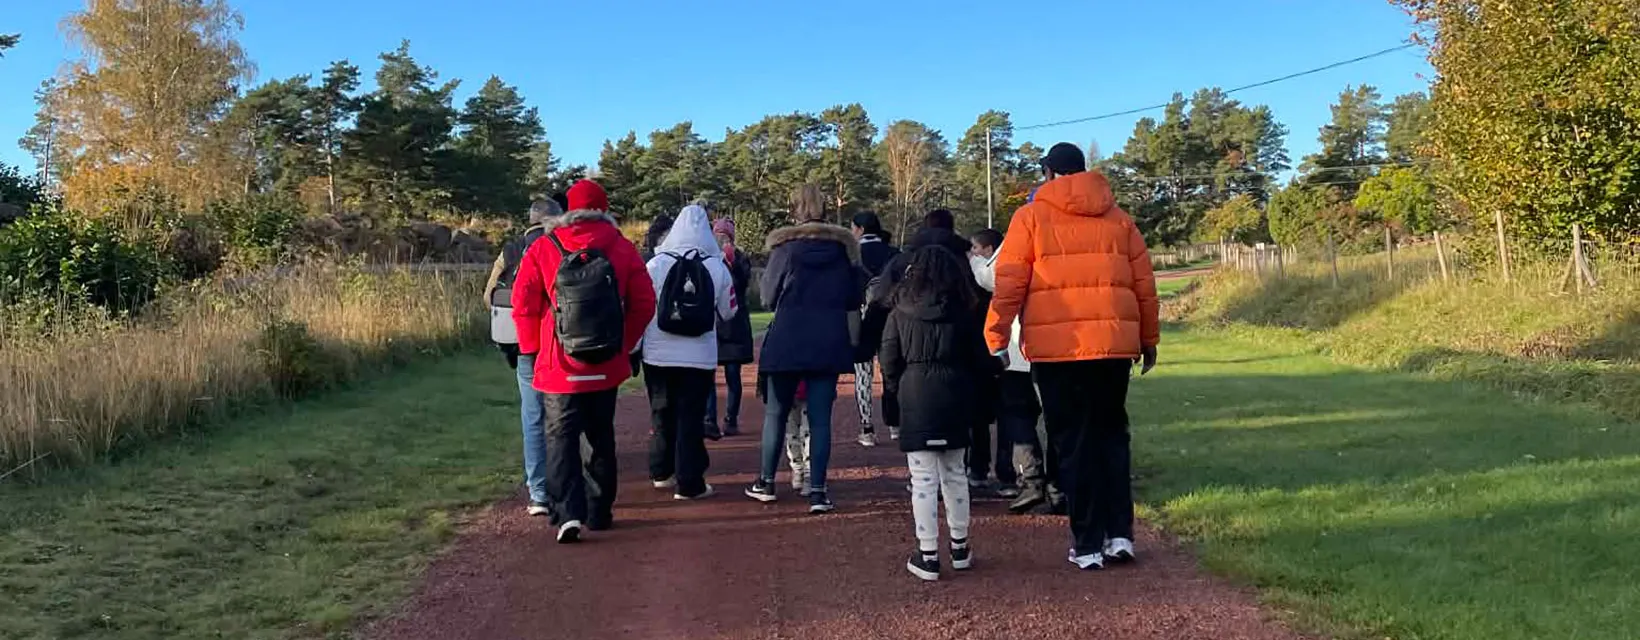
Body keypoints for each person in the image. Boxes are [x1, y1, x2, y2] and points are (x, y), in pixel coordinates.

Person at [986, 142, 1159, 570]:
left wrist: (996, 335)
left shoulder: (1029, 218)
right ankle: (1120, 534)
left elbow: (1009, 284)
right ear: (1083, 171)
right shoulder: (1120, 220)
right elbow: (1144, 285)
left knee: (1072, 443)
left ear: (1047, 173)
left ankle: (1087, 544)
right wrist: (1149, 339)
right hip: (1113, 346)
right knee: (1112, 437)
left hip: (1057, 351)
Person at [512, 180, 658, 543]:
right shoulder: (622, 247)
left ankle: (567, 513)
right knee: (600, 434)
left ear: (567, 210)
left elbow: (524, 303)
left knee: (560, 437)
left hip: (559, 365)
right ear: (603, 208)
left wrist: (532, 348)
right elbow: (644, 304)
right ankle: (599, 510)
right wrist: (621, 345)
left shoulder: (545, 247)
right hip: (605, 364)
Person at [879, 246, 996, 581]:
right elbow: (980, 359)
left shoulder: (899, 310)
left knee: (923, 480)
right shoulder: (966, 311)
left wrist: (896, 389)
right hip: (956, 391)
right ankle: (960, 547)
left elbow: (888, 357)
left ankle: (927, 553)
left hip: (915, 391)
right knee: (955, 473)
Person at [745, 184, 862, 513]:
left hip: (787, 339)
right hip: (828, 340)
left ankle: (766, 482)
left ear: (794, 208)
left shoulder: (785, 248)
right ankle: (818, 491)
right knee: (821, 419)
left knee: (776, 414)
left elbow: (767, 297)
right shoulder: (845, 250)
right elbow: (855, 297)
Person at [642, 205, 738, 501]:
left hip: (657, 354)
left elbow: (642, 306)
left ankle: (661, 472)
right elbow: (729, 311)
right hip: (699, 355)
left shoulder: (656, 264)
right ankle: (689, 482)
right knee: (691, 417)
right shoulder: (716, 266)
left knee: (662, 413)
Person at [971, 229, 1064, 514]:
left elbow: (990, 276)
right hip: (1061, 346)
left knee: (1018, 417)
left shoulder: (1018, 245)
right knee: (1059, 419)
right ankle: (1060, 487)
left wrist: (972, 259)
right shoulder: (1066, 245)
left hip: (1019, 349)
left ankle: (1031, 480)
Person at [484, 197, 562, 517]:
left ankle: (539, 493)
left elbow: (489, 296)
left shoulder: (512, 249)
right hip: (558, 342)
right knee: (563, 415)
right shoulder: (559, 245)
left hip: (523, 345)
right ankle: (569, 480)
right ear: (555, 219)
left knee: (532, 417)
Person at [849, 212, 900, 447]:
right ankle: (895, 424)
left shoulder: (852, 255)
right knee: (893, 371)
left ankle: (867, 428)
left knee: (863, 373)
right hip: (892, 317)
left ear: (859, 229)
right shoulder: (894, 253)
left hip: (861, 318)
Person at [705, 216, 755, 438]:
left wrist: (732, 263)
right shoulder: (708, 257)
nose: (721, 237)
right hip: (714, 326)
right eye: (718, 234)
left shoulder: (740, 258)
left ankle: (730, 419)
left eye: (724, 234)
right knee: (708, 377)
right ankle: (709, 419)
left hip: (734, 326)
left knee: (732, 376)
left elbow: (741, 285)